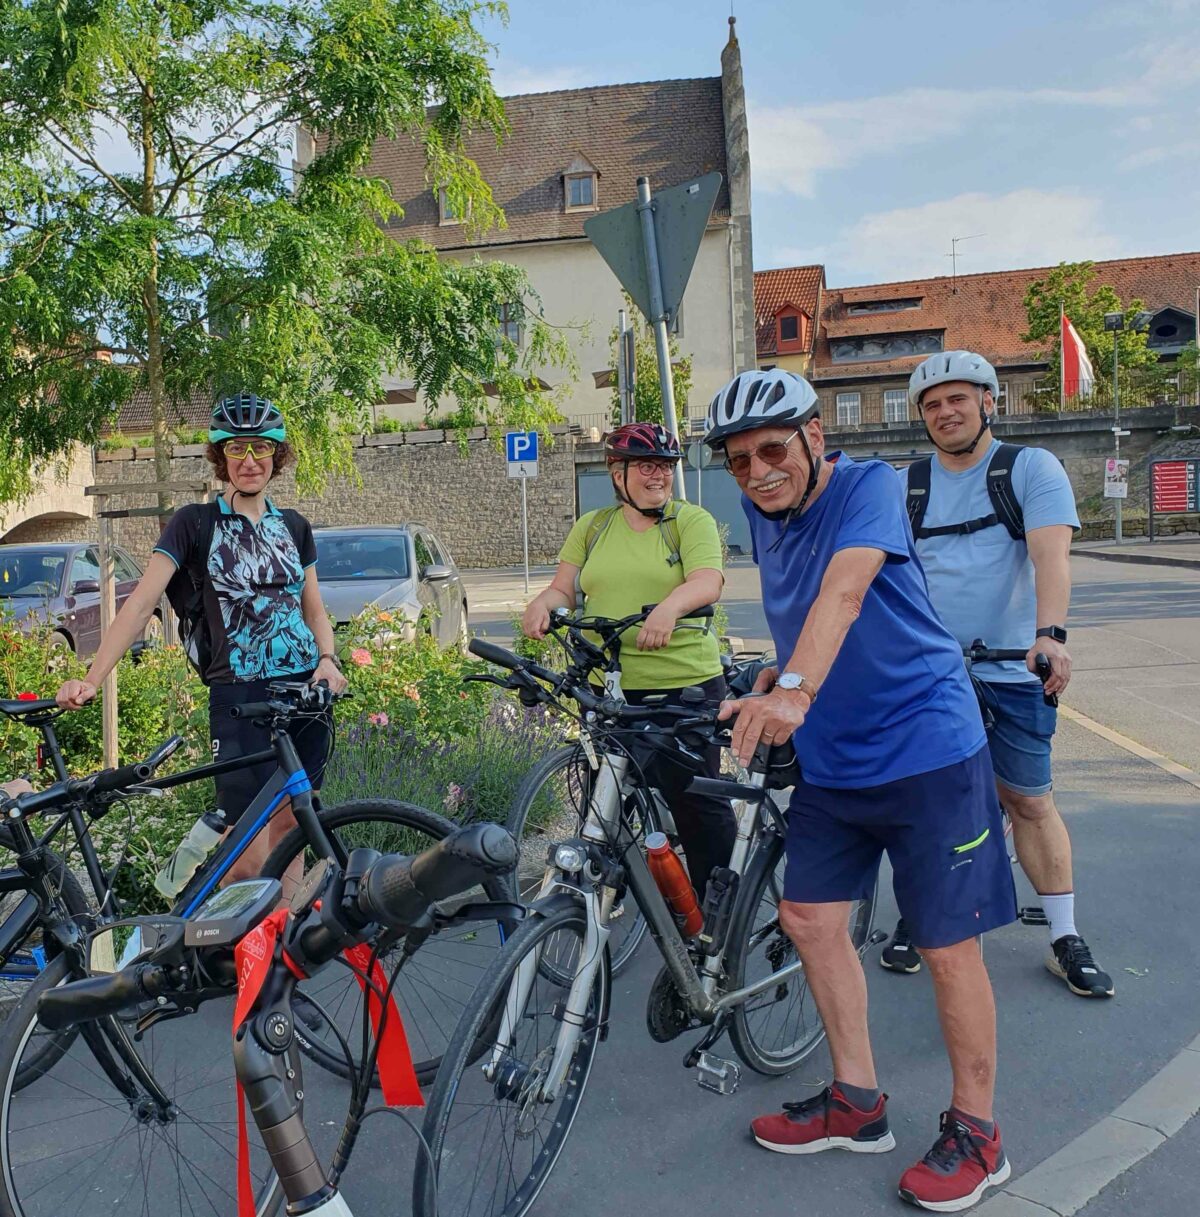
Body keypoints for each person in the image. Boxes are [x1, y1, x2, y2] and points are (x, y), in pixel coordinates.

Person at [707, 368, 1016, 1213]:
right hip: (836, 763)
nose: (758, 471)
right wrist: (777, 669)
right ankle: (857, 1102)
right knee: (809, 917)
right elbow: (801, 605)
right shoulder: (760, 509)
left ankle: (978, 1135)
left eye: (773, 449)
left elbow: (845, 587)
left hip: (929, 753)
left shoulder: (869, 486)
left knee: (949, 943)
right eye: (738, 461)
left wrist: (795, 691)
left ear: (814, 438)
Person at [877, 350, 1113, 1000]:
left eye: (958, 398)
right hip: (930, 674)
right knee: (924, 803)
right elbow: (880, 573)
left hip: (1013, 667)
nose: (945, 411)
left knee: (1029, 800)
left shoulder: (1029, 469)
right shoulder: (906, 484)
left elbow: (1049, 557)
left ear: (989, 400)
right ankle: (925, 917)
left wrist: (1050, 636)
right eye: (932, 403)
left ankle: (1064, 936)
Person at [56, 392, 348, 881]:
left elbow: (313, 609)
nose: (250, 460)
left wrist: (329, 659)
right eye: (237, 449)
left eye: (260, 448)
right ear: (220, 457)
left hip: (304, 691)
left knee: (293, 829)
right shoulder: (195, 523)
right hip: (240, 694)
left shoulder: (294, 527)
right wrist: (92, 677)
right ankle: (227, 951)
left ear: (278, 455)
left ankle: (283, 949)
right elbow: (140, 603)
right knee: (245, 848)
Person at [521, 421, 733, 898]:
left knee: (697, 802)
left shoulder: (688, 522)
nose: (658, 475)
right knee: (607, 802)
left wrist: (671, 608)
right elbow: (564, 589)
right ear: (618, 473)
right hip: (610, 689)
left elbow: (707, 581)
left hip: (683, 685)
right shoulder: (593, 527)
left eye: (665, 466)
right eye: (646, 466)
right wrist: (542, 604)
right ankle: (605, 897)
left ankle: (718, 904)